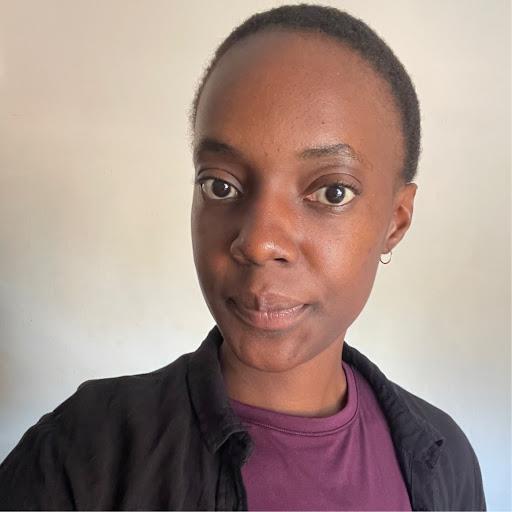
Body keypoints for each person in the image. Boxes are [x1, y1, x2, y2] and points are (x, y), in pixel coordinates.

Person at [0, 3, 486, 511]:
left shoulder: (445, 462)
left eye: (332, 192)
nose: (258, 243)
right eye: (221, 185)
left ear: (396, 221)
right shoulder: (82, 453)